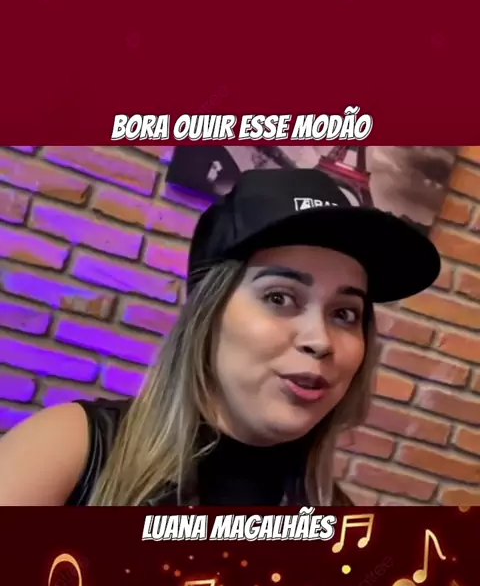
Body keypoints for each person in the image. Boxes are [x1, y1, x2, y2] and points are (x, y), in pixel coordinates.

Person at [0, 168, 441, 507]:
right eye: (280, 297)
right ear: (208, 315)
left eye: (345, 313)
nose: (320, 340)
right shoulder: (71, 448)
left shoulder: (343, 526)